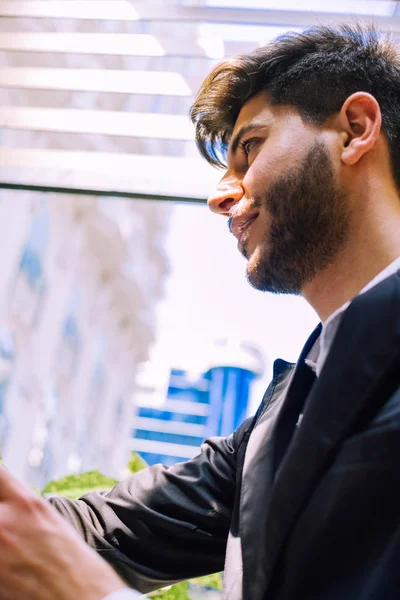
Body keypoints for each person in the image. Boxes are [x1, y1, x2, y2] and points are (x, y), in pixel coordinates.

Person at [1, 23, 400, 600]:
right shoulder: (278, 420)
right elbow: (106, 529)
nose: (220, 196)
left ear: (355, 129)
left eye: (249, 148)